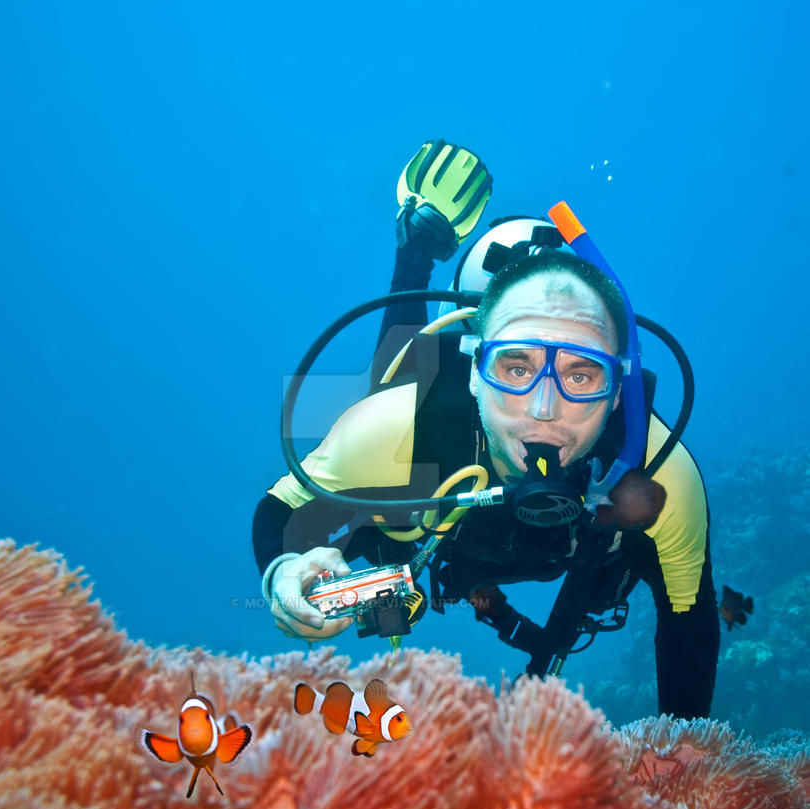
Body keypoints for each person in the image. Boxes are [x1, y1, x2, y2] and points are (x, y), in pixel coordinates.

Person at [252, 141, 720, 720]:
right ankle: (417, 247)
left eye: (582, 373)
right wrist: (283, 570)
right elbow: (283, 507)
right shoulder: (399, 426)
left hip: (571, 537)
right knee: (400, 383)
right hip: (436, 480)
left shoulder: (655, 473)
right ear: (475, 369)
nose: (545, 408)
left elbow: (688, 615)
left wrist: (688, 758)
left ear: (619, 385)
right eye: (515, 367)